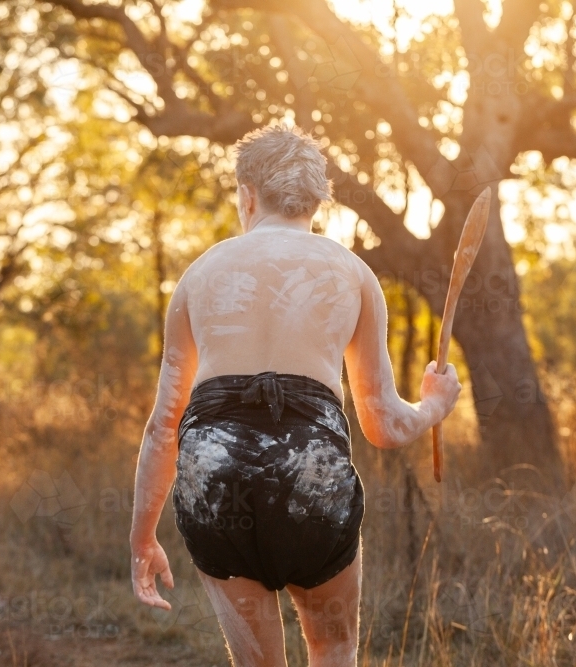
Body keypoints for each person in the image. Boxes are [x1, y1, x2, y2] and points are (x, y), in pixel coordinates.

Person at [129, 123, 462, 667]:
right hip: (311, 470)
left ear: (247, 195)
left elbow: (164, 425)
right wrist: (435, 404)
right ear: (314, 199)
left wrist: (142, 539)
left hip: (214, 470)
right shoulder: (353, 273)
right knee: (333, 647)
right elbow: (384, 426)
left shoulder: (200, 274)